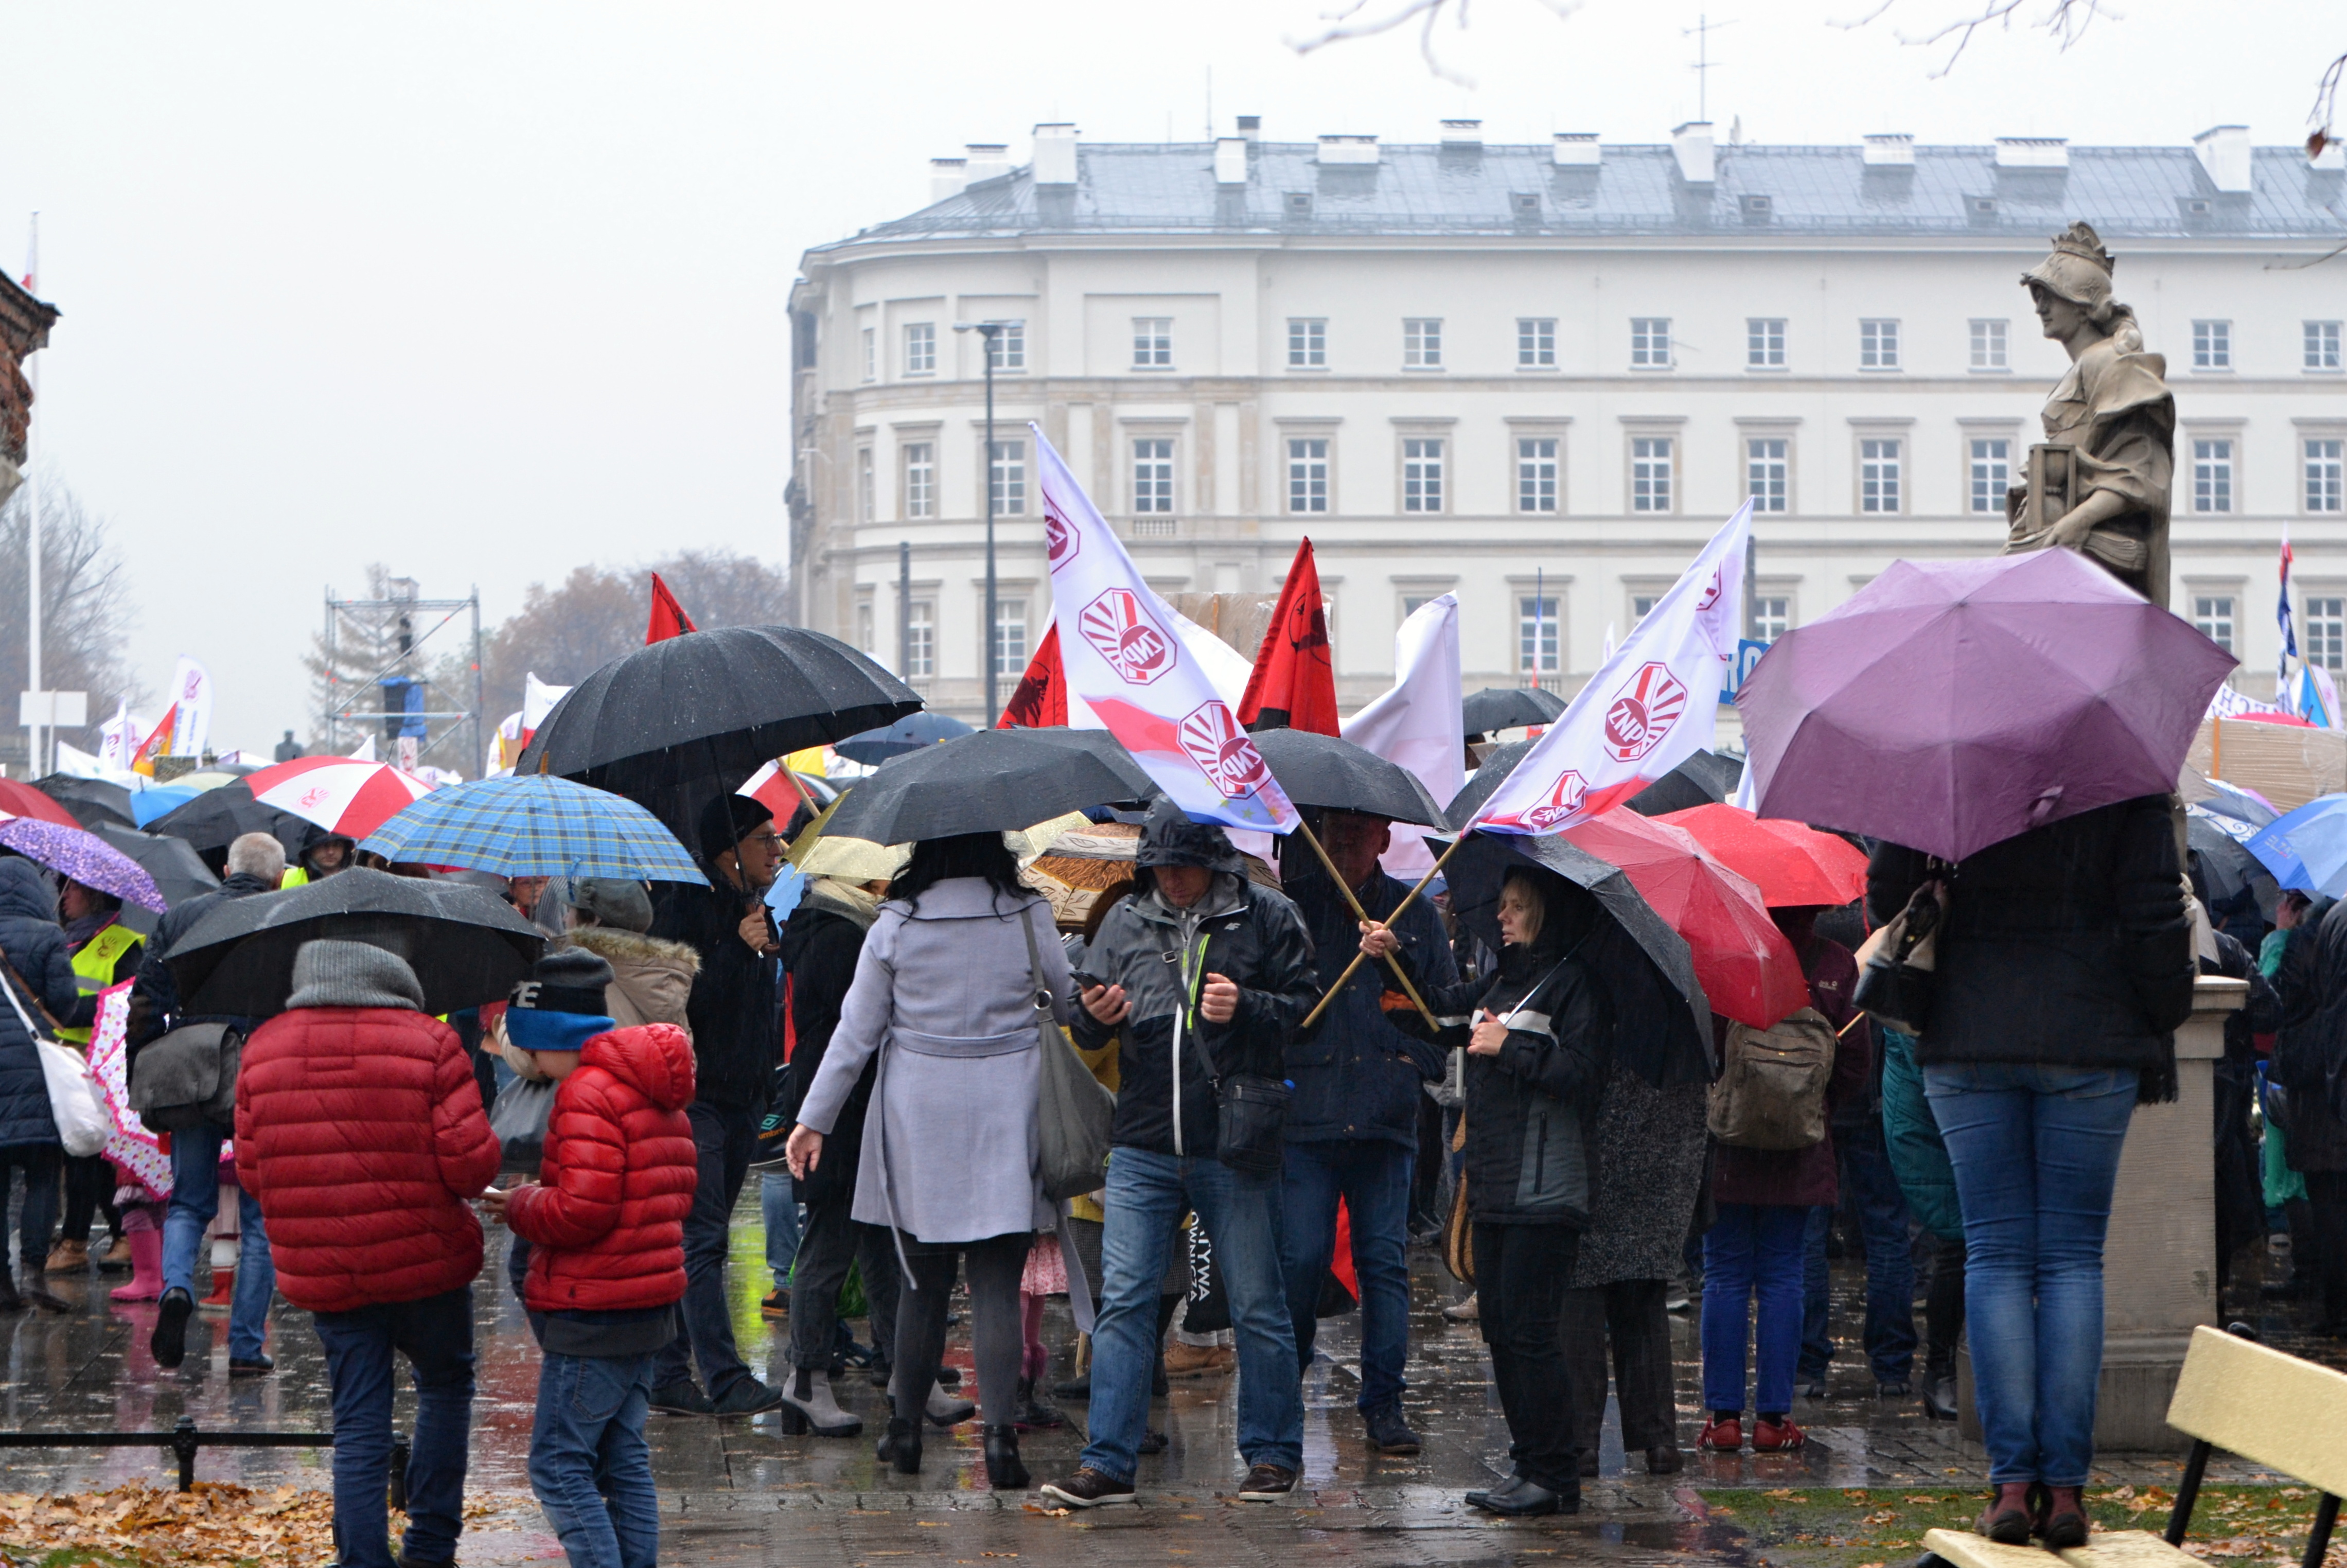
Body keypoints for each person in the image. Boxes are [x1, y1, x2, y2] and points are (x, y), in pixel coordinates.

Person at [1871, 794, 2192, 1548]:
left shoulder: (1947, 755)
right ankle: (2069, 1490)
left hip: (1970, 1027)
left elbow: (1887, 899)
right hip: (2091, 1033)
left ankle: (2012, 1484)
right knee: (2073, 1259)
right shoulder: (2120, 771)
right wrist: (2156, 1011)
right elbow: (2156, 916)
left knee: (1997, 1253)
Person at [1039, 799, 1317, 1510]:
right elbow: (1083, 1013)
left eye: (1186, 865)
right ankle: (1108, 1459)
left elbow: (1307, 1012)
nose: (1175, 878)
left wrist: (1248, 1004)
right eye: (1162, 866)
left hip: (1233, 1140)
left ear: (1214, 860)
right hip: (1142, 1140)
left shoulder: (1269, 915)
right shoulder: (1125, 920)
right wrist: (1092, 1014)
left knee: (1256, 1301)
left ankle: (1272, 1454)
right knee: (1125, 1302)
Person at [787, 830, 1067, 1489]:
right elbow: (1068, 1001)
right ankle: (1000, 1441)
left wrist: (812, 1120)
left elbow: (855, 1033)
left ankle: (905, 1430)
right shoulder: (1029, 915)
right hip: (1010, 1106)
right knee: (998, 1281)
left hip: (920, 1112)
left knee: (923, 1281)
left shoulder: (896, 923)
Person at [235, 939, 501, 1568]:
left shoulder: (263, 1049)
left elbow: (251, 1171)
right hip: (426, 1261)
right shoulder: (431, 1042)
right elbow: (471, 1167)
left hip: (328, 1265)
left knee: (358, 1418)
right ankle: (431, 1547)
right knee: (443, 1386)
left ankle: (362, 1558)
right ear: (395, 976)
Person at [1358, 862, 1608, 1517]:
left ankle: (1556, 1474)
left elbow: (1584, 1076)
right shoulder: (1504, 979)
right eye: (1500, 903)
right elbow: (1439, 1016)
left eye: (1516, 906)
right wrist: (1393, 962)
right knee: (1500, 1329)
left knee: (1530, 1332)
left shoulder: (1574, 982)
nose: (1502, 915)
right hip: (1494, 1182)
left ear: (1546, 912)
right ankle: (1529, 1463)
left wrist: (1510, 1047)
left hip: (1545, 1187)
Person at [486, 954, 696, 1568]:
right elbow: (672, 1190)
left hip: (595, 1302)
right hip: (648, 1299)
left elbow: (584, 1210)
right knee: (622, 1455)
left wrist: (521, 1202)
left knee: (557, 1465)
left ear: (550, 1036)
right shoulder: (650, 1082)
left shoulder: (586, 1093)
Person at [1275, 809, 1453, 1456]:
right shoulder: (1294, 907)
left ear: (1382, 838)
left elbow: (1442, 1011)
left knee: (1384, 1263)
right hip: (1310, 1115)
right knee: (1299, 1260)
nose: (1345, 844)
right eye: (1334, 834)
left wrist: (1414, 1058)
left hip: (1384, 1117)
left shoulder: (1414, 912)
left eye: (1358, 833)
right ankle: (1281, 1394)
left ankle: (1384, 1401)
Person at [1700, 905, 1868, 1456]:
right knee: (1783, 1275)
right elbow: (1855, 1061)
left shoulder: (1726, 958)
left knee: (1724, 1273)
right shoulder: (1836, 964)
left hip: (1730, 1144)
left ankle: (1723, 1418)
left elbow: (1707, 1047)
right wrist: (1812, 1108)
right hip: (1801, 1146)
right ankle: (1774, 1418)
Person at [645, 795, 788, 1417]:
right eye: (764, 838)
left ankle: (667, 1371)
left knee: (701, 1239)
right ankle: (723, 1377)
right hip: (698, 1099)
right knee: (700, 1241)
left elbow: (761, 1005)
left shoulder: (751, 907)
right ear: (728, 850)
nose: (777, 849)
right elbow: (684, 1006)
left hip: (743, 1097)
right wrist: (736, 945)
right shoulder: (685, 906)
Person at [128, 831, 285, 1373]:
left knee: (189, 1202)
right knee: (261, 1216)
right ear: (279, 877)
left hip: (194, 1070)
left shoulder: (181, 918)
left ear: (225, 869)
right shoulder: (285, 914)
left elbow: (147, 999)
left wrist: (141, 1071)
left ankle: (176, 1288)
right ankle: (245, 1345)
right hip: (266, 1070)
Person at [774, 836, 909, 1438]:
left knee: (880, 1240)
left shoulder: (836, 925)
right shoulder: (840, 934)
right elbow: (855, 1028)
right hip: (838, 1108)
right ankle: (805, 1378)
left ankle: (905, 1363)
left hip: (849, 1103)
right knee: (831, 1242)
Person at [1562, 1044, 1706, 1476]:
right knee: (1644, 1298)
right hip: (1664, 1158)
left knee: (1582, 1296)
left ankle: (1580, 1439)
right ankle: (1658, 1438)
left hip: (1596, 1154)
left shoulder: (1595, 988)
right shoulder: (1682, 998)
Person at [0, 854, 79, 1313]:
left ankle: (1, 1283)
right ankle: (33, 1272)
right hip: (37, 1073)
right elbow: (64, 1002)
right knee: (43, 1175)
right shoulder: (49, 935)